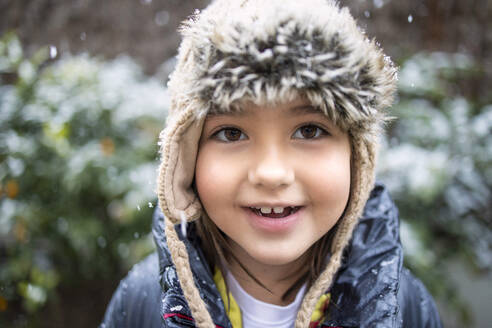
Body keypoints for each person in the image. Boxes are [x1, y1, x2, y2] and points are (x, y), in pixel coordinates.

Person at [101, 0, 442, 327]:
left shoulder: (404, 308)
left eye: (309, 130)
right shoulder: (142, 302)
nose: (271, 173)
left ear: (358, 157)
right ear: (186, 157)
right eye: (232, 133)